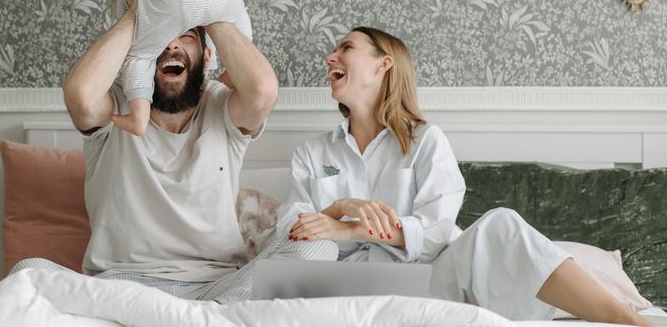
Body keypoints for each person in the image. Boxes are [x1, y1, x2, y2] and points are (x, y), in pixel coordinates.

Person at [11, 0, 338, 303]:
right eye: (158, 37)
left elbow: (263, 90)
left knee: (320, 247)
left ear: (207, 53)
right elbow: (80, 97)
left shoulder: (224, 107)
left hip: (214, 288)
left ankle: (190, 318)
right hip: (121, 288)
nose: (170, 46)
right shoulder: (114, 105)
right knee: (28, 272)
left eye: (185, 34)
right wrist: (139, 8)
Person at [277, 26, 653, 326]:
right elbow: (287, 234)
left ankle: (630, 319)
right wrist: (341, 207)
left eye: (346, 47)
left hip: (427, 284)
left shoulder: (425, 141)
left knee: (500, 224)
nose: (330, 58)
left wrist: (354, 229)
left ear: (383, 65)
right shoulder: (311, 154)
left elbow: (436, 233)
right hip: (339, 291)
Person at [110, 0, 252, 136]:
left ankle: (139, 118)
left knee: (138, 55)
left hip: (165, 2)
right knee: (236, 14)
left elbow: (127, 21)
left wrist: (129, 3)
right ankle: (228, 70)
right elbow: (216, 9)